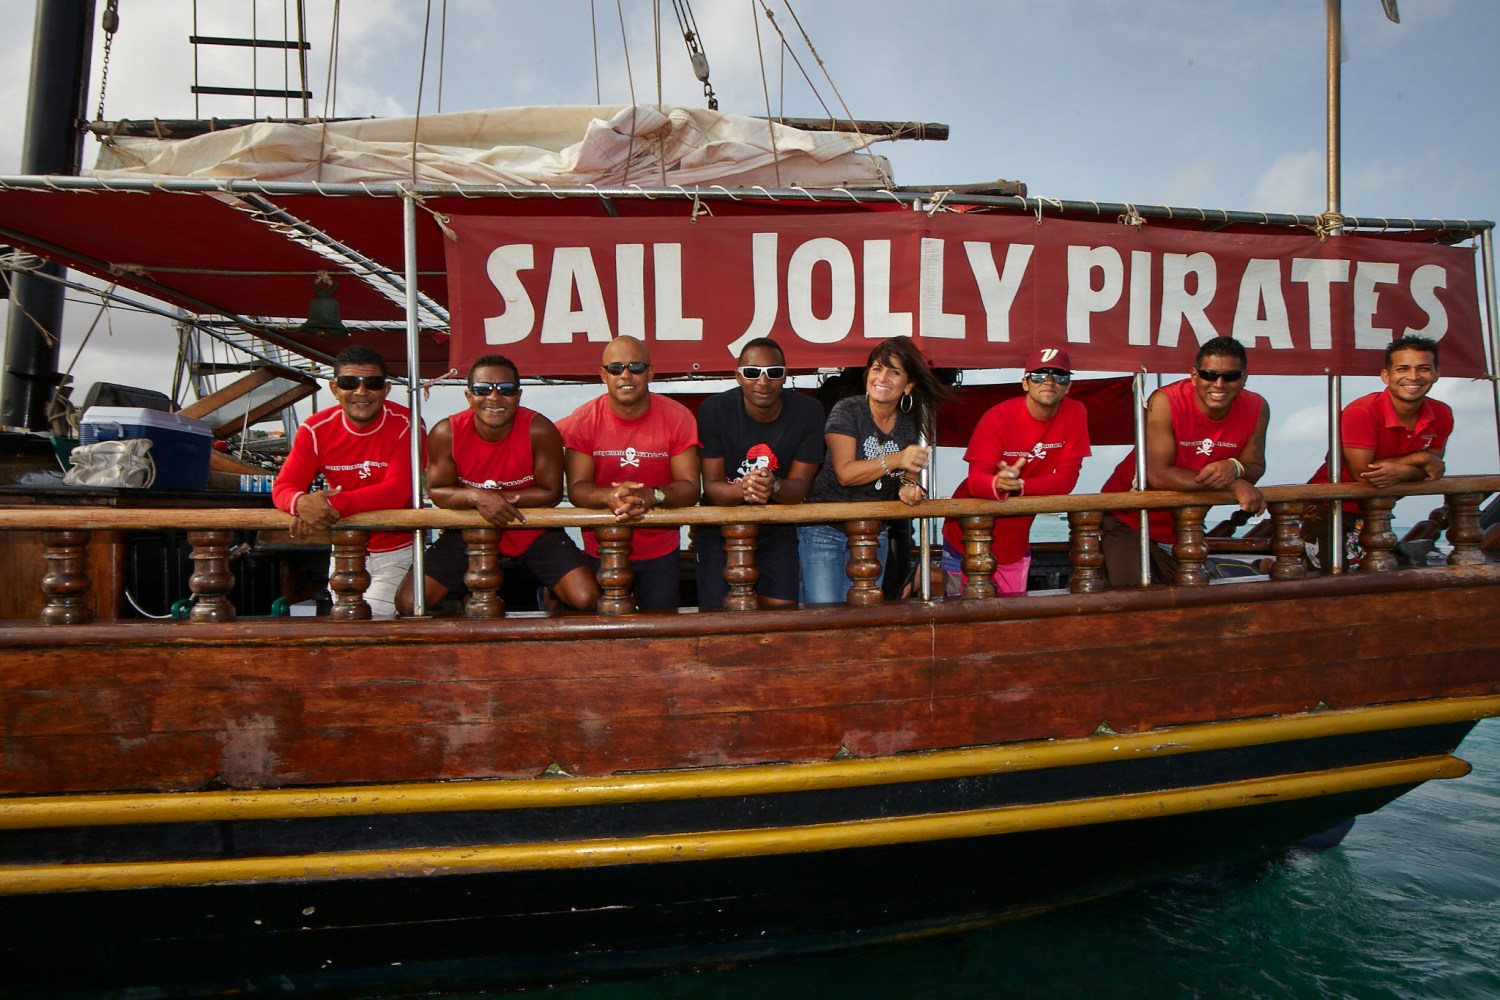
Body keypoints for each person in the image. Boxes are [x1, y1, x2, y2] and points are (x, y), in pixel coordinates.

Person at [394, 355, 600, 615]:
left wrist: (496, 500)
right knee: (410, 602)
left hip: (531, 526)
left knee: (586, 597)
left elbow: (552, 492)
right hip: (469, 528)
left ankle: (550, 592)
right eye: (483, 389)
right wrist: (477, 497)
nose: (494, 397)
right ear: (469, 396)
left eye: (505, 389)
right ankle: (460, 597)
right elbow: (436, 490)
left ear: (519, 395)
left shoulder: (540, 430)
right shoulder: (446, 432)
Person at [1100, 336, 1269, 587]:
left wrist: (1235, 468)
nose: (1219, 384)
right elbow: (1157, 475)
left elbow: (1255, 465)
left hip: (1187, 525)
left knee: (1190, 600)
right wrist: (1232, 484)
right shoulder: (1166, 401)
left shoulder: (1257, 406)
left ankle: (1253, 567)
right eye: (1209, 375)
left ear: (1244, 378)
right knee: (1131, 599)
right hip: (1128, 517)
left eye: (1230, 376)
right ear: (1194, 375)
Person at [271, 344, 423, 616]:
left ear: (386, 389)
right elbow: (283, 487)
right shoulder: (314, 429)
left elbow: (397, 492)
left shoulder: (408, 424)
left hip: (398, 552)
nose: (361, 392)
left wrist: (324, 507)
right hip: (343, 550)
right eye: (349, 383)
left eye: (372, 383)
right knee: (348, 624)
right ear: (334, 389)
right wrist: (300, 503)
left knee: (368, 621)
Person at [798, 337, 949, 605]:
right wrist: (897, 459)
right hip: (823, 529)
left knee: (864, 612)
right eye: (877, 369)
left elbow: (906, 476)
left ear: (909, 385)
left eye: (894, 372)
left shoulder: (911, 422)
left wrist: (909, 489)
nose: (883, 378)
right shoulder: (847, 410)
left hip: (873, 531)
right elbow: (845, 473)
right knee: (824, 613)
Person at [558, 336, 700, 610]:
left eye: (635, 367)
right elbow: (577, 488)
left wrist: (653, 495)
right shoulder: (583, 420)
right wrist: (609, 496)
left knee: (661, 629)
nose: (626, 375)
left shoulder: (678, 418)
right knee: (603, 634)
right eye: (615, 368)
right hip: (599, 545)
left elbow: (690, 487)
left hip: (660, 547)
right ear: (603, 374)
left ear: (650, 372)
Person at [941, 347, 1091, 596]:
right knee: (963, 617)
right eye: (1040, 375)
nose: (1050, 381)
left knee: (1012, 618)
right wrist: (998, 484)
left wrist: (1019, 486)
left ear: (1069, 386)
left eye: (1059, 375)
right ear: (1025, 383)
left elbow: (1066, 480)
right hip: (965, 536)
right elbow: (976, 481)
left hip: (1015, 545)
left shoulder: (1076, 413)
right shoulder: (997, 418)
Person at [1301, 335, 1452, 569]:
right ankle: (1266, 566)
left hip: (1379, 511)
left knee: (1384, 576)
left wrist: (1405, 470)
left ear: (1436, 374)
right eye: (1403, 368)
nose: (1413, 376)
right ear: (1386, 375)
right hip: (1330, 508)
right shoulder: (1362, 411)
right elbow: (1366, 475)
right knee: (1330, 575)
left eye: (1423, 368)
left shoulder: (1442, 414)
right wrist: (1419, 458)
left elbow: (1433, 469)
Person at [695, 337, 823, 609]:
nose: (763, 381)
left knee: (781, 613)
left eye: (773, 373)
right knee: (718, 615)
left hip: (778, 526)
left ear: (785, 376)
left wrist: (774, 486)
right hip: (720, 529)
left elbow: (799, 487)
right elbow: (713, 487)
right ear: (738, 377)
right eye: (752, 373)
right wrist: (744, 488)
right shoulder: (714, 410)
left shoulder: (808, 412)